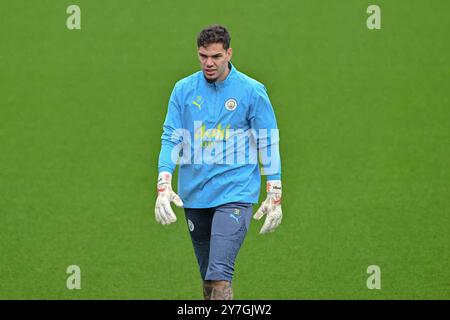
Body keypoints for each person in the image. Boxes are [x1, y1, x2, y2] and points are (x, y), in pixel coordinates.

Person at [154, 25, 283, 300]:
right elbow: (170, 137)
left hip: (235, 193)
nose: (208, 63)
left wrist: (275, 190)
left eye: (215, 56)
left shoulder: (251, 91)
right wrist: (163, 182)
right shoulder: (183, 90)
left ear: (229, 53)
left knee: (219, 275)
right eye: (203, 56)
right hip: (195, 196)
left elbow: (267, 141)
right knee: (208, 282)